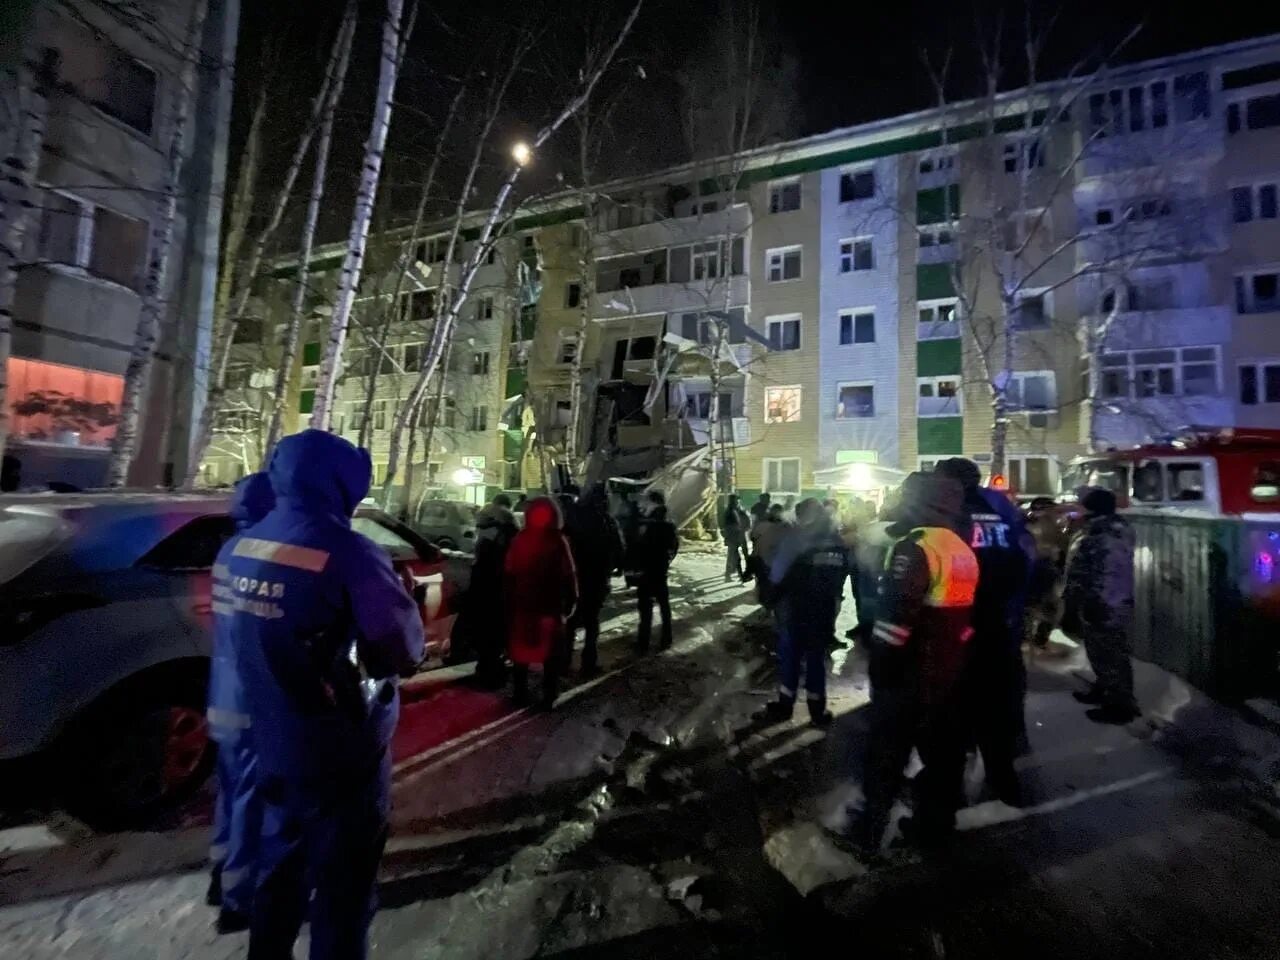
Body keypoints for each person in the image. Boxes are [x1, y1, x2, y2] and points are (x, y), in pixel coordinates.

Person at [215, 429, 424, 960]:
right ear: (340, 482)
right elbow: (405, 650)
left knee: (278, 876)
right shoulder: (351, 552)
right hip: (341, 753)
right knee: (343, 892)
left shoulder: (241, 546)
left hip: (272, 742)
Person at [859, 473, 978, 855]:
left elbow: (896, 618)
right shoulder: (960, 546)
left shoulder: (916, 548)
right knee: (941, 753)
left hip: (908, 671)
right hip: (946, 669)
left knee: (886, 753)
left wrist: (882, 665)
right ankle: (936, 825)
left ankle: (868, 833)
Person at [936, 458, 1034, 804]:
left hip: (961, 623)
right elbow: (1025, 560)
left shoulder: (949, 514)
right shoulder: (1002, 512)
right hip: (999, 622)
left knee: (953, 707)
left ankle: (947, 794)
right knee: (997, 705)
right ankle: (1004, 780)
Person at [206, 471, 274, 933]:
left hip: (223, 691)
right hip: (253, 699)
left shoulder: (228, 549)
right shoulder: (264, 553)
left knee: (230, 790)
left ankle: (218, 869)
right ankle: (238, 898)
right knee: (252, 797)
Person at [761, 498, 849, 727]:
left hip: (795, 609)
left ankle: (785, 705)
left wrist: (770, 596)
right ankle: (817, 711)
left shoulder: (796, 539)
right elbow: (842, 575)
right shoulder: (837, 542)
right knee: (816, 658)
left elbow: (778, 574)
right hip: (825, 610)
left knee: (790, 657)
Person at [1062, 487, 1139, 723]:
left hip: (1103, 601)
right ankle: (1105, 689)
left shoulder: (1100, 534)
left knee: (1109, 653)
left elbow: (1096, 571)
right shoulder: (1114, 528)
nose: (1078, 509)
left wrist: (1084, 599)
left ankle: (1120, 705)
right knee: (1105, 651)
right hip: (1111, 600)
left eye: (1082, 505)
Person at [504, 497, 578, 708]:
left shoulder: (521, 538)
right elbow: (569, 573)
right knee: (550, 653)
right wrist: (572, 598)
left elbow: (509, 571)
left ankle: (520, 693)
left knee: (521, 651)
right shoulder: (557, 540)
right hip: (549, 603)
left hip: (525, 603)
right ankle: (549, 694)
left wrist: (509, 599)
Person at [565, 485, 624, 677]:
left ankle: (563, 661)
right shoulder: (607, 521)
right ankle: (588, 663)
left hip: (573, 576)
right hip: (597, 578)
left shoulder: (573, 517)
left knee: (570, 620)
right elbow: (618, 548)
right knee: (591, 621)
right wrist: (617, 567)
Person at [462, 493, 519, 687]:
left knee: (487, 635)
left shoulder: (488, 537)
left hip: (488, 592)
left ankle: (488, 670)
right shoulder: (507, 533)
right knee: (494, 635)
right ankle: (493, 671)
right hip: (499, 593)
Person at [634, 492, 679, 652]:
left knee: (646, 609)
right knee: (664, 607)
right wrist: (666, 561)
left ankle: (643, 642)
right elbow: (674, 547)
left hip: (647, 571)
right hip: (660, 570)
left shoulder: (646, 525)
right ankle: (666, 639)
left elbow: (639, 547)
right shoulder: (668, 525)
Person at [750, 503, 789, 604]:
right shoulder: (765, 525)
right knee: (765, 582)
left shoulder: (785, 526)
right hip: (766, 558)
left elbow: (753, 537)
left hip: (774, 559)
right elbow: (753, 537)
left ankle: (769, 605)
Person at [722, 494, 750, 582]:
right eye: (735, 500)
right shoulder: (730, 512)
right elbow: (729, 526)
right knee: (734, 556)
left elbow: (746, 522)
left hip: (738, 536)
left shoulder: (738, 510)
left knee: (736, 556)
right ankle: (734, 575)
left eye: (737, 500)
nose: (737, 502)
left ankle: (737, 574)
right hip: (733, 537)